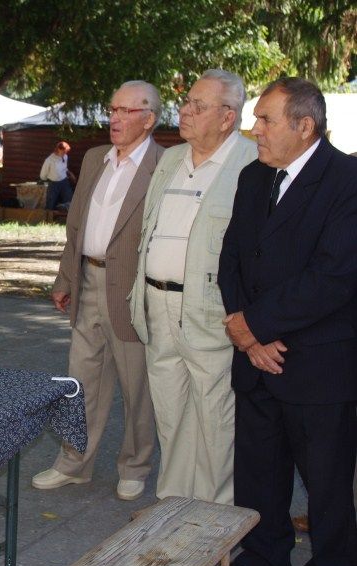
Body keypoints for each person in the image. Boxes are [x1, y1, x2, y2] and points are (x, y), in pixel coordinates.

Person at [218, 77, 357, 566]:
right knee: (259, 470)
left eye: (265, 120)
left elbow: (334, 276)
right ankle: (265, 556)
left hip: (317, 365)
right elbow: (232, 257)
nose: (255, 130)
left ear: (304, 126)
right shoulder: (254, 177)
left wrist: (256, 324)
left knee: (327, 484)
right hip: (255, 356)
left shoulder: (347, 180)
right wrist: (247, 334)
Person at [31, 81, 164, 501]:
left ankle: (135, 466)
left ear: (149, 119)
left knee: (136, 387)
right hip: (87, 279)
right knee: (81, 381)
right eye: (112, 109)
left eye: (126, 111)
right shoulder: (94, 158)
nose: (115, 118)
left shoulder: (164, 164)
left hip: (131, 291)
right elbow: (76, 226)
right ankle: (74, 463)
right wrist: (65, 278)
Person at [129, 69, 257, 505]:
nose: (184, 110)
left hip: (210, 311)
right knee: (170, 410)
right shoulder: (171, 159)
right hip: (157, 303)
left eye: (198, 106)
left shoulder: (251, 164)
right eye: (186, 102)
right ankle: (173, 504)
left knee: (215, 415)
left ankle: (215, 514)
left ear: (227, 117)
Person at [39, 141, 76, 210]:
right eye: (64, 152)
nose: (65, 153)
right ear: (59, 149)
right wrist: (47, 179)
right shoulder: (49, 160)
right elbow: (43, 175)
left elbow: (64, 168)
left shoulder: (65, 156)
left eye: (66, 152)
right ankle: (48, 216)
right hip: (53, 184)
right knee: (50, 203)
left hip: (64, 182)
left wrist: (70, 174)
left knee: (69, 201)